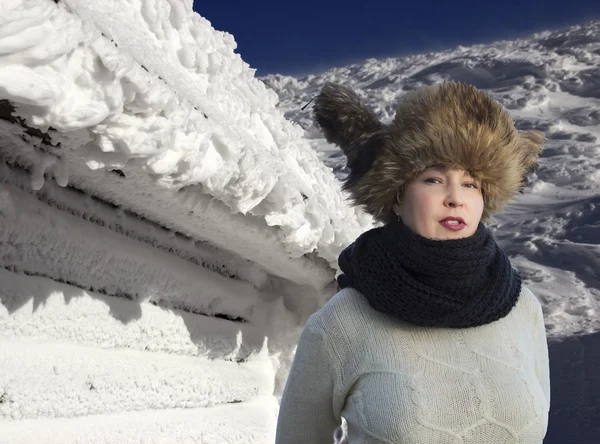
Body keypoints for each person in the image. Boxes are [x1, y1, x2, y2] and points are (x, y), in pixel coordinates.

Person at [275, 81, 550, 444]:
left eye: (471, 184)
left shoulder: (522, 309)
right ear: (397, 195)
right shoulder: (342, 324)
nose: (455, 198)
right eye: (434, 179)